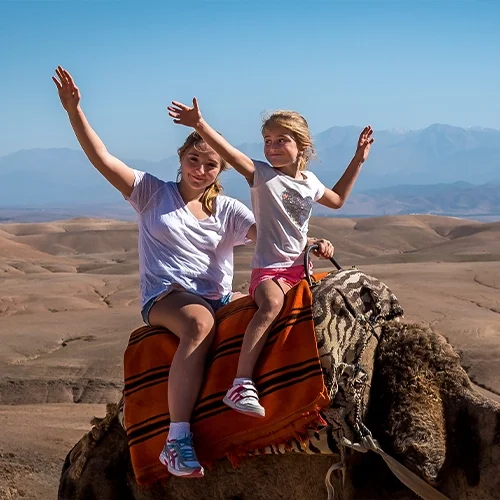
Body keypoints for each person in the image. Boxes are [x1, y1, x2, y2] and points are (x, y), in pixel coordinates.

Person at [52, 66, 259, 479]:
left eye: (211, 164)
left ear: (222, 171)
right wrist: (75, 112)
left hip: (219, 295)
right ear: (180, 160)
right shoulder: (151, 192)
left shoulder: (229, 211)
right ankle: (176, 439)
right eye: (193, 160)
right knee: (199, 323)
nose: (201, 169)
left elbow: (271, 237)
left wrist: (310, 244)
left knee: (271, 310)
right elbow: (103, 158)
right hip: (167, 295)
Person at [168, 98, 373, 419]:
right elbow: (229, 153)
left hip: (300, 270)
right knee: (272, 305)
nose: (273, 147)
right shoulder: (261, 175)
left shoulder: (310, 183)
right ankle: (241, 383)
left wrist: (358, 159)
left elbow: (337, 200)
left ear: (302, 146)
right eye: (268, 141)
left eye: (281, 140)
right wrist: (199, 125)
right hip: (269, 273)